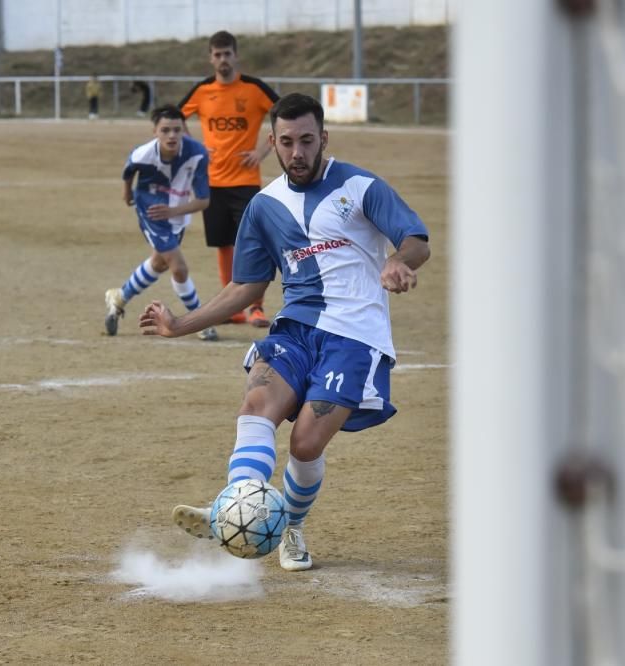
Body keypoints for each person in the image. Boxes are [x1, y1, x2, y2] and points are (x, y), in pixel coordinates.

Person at [139, 93, 431, 571]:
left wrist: (398, 262)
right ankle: (233, 506)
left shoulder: (360, 186)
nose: (298, 153)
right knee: (256, 406)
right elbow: (247, 285)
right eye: (288, 142)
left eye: (308, 141)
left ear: (324, 139)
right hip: (294, 330)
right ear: (272, 142)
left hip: (354, 337)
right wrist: (180, 325)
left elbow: (415, 239)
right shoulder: (265, 206)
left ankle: (289, 526)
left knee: (305, 445)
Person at [178, 30, 280, 327]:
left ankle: (256, 308)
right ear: (211, 58)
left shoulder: (253, 88)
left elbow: (286, 116)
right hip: (212, 183)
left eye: (227, 54)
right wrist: (194, 147)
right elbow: (174, 116)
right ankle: (231, 309)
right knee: (223, 245)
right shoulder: (202, 90)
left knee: (254, 242)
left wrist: (263, 150)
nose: (223, 59)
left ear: (236, 56)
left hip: (246, 181)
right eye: (217, 54)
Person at [104, 105, 218, 341]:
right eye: (165, 130)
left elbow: (204, 201)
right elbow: (129, 170)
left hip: (176, 210)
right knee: (178, 266)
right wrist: (127, 194)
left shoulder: (197, 154)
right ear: (155, 131)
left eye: (177, 130)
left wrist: (174, 210)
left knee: (159, 263)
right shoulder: (143, 154)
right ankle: (198, 322)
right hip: (152, 210)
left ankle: (120, 297)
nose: (172, 136)